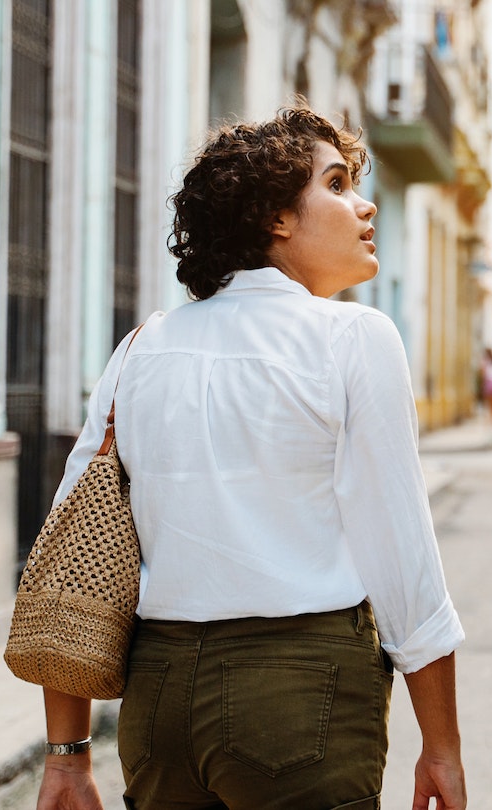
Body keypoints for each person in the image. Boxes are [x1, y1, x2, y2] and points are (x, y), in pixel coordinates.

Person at [36, 105, 467, 810]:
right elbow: (404, 557)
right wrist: (442, 746)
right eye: (336, 184)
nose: (364, 207)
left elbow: (73, 551)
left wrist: (66, 755)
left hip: (160, 707)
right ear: (274, 219)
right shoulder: (355, 337)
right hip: (299, 694)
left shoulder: (143, 346)